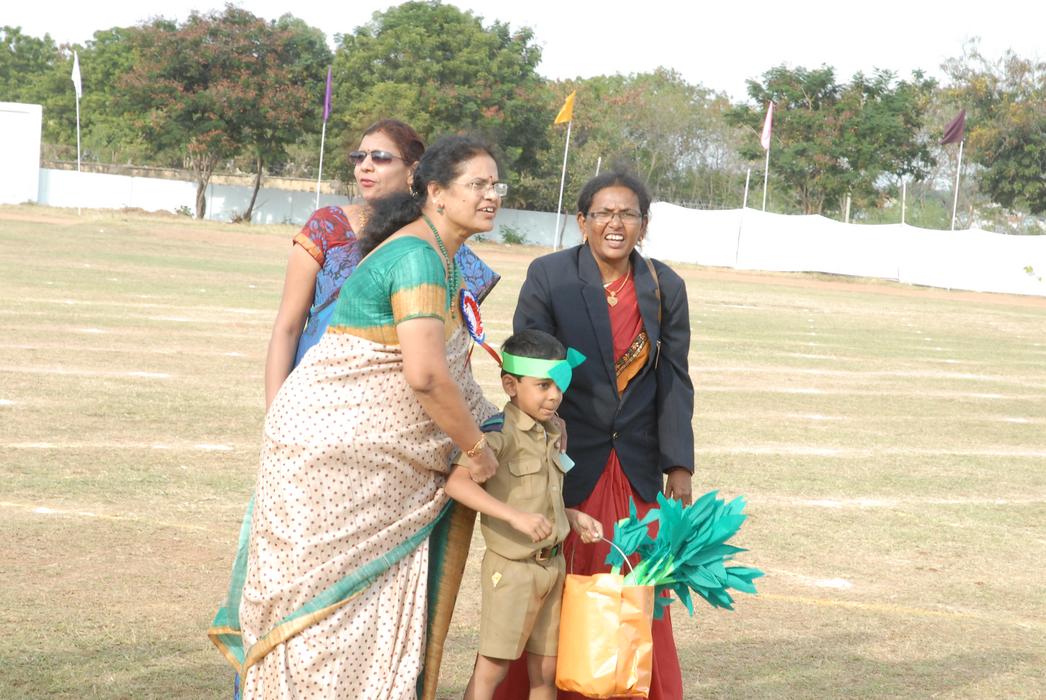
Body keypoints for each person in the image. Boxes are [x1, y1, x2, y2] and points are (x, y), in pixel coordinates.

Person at [210, 135, 509, 699]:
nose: (491, 196)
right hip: (334, 464)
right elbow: (426, 375)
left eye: (496, 185)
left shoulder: (440, 257)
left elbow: (451, 371)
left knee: (364, 616)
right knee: (324, 618)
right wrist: (477, 448)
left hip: (374, 469)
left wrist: (498, 422)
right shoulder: (417, 257)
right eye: (477, 184)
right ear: (436, 192)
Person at [499, 171, 695, 699]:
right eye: (604, 213)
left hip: (635, 467)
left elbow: (674, 378)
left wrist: (679, 465)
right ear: (582, 220)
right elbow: (527, 360)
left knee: (634, 585)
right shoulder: (550, 276)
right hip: (565, 459)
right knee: (555, 589)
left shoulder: (664, 286)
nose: (616, 223)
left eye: (628, 214)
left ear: (643, 224)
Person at [264, 118, 499, 408]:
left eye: (380, 157)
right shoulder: (328, 226)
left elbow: (454, 349)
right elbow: (287, 327)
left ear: (413, 171)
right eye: (359, 157)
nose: (365, 166)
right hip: (319, 399)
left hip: (399, 411)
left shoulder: (441, 242)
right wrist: (275, 410)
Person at [444, 330, 603, 700]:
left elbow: (541, 495)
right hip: (512, 571)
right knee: (492, 670)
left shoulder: (552, 431)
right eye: (543, 386)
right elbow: (457, 483)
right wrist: (513, 517)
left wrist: (571, 516)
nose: (554, 396)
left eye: (559, 386)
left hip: (553, 568)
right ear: (510, 385)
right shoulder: (498, 435)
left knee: (546, 672)